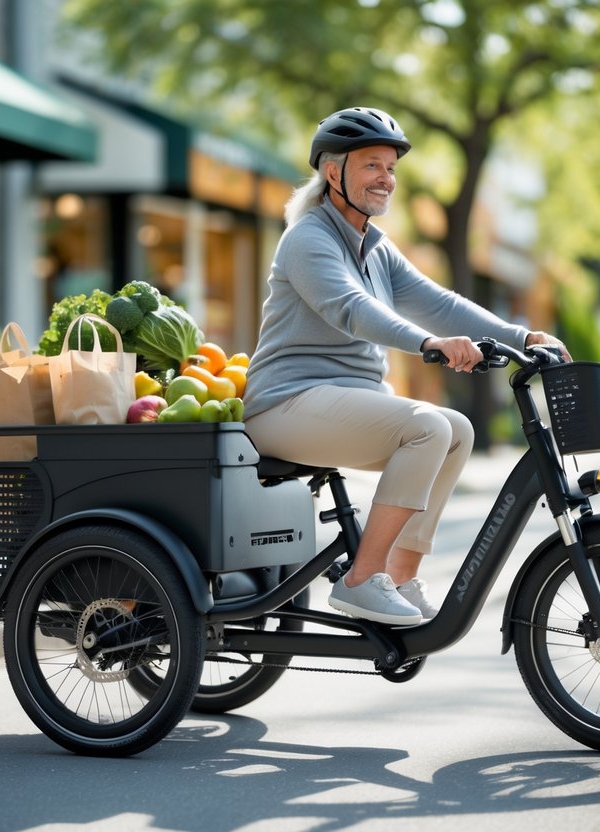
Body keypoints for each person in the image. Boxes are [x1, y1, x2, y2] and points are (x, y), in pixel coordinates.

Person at [243, 107, 570, 626]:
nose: (386, 179)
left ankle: (397, 576)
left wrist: (522, 335)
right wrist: (427, 344)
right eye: (372, 165)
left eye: (391, 168)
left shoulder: (374, 246)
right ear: (334, 174)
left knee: (457, 430)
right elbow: (351, 309)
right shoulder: (308, 239)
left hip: (345, 404)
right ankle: (359, 580)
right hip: (286, 405)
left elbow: (440, 302)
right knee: (425, 429)